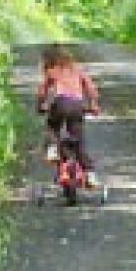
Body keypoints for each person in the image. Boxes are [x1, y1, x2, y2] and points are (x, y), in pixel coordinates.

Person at [36, 44, 102, 188]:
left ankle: (53, 148)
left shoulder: (52, 70)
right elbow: (91, 88)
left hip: (60, 103)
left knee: (52, 126)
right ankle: (90, 174)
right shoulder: (77, 69)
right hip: (78, 105)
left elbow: (42, 91)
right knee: (79, 141)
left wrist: (40, 105)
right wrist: (93, 105)